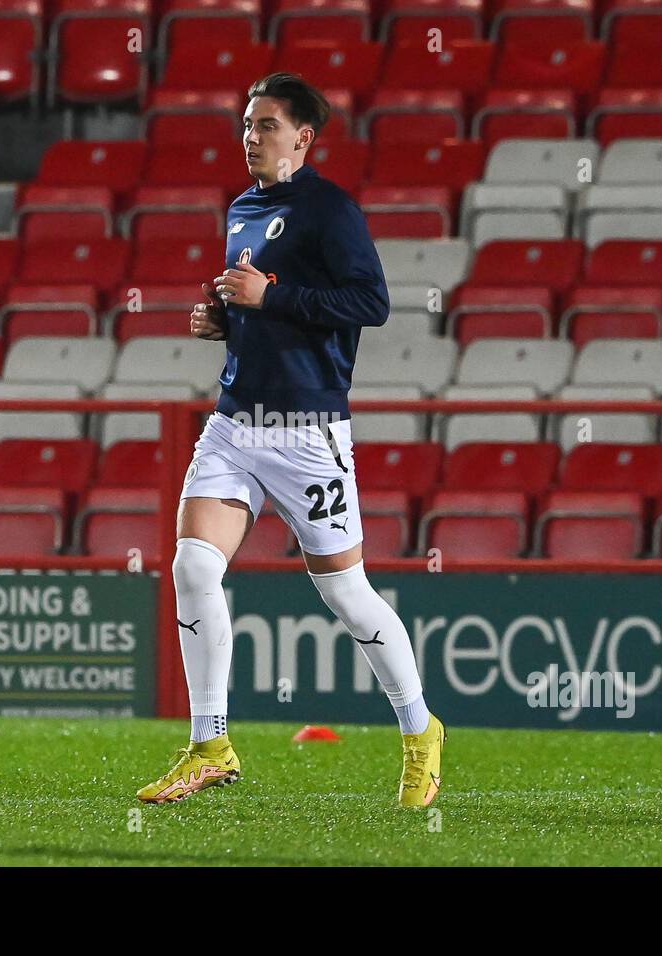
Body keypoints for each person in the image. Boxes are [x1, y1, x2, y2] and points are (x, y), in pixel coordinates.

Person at [136, 72, 445, 808]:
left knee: (347, 594)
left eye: (266, 125)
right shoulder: (243, 208)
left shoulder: (329, 209)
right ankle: (210, 744)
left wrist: (269, 297)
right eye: (247, 123)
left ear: (303, 138)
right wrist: (229, 321)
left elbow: (369, 301)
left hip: (308, 432)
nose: (251, 136)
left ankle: (419, 732)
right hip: (235, 422)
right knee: (191, 568)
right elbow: (260, 306)